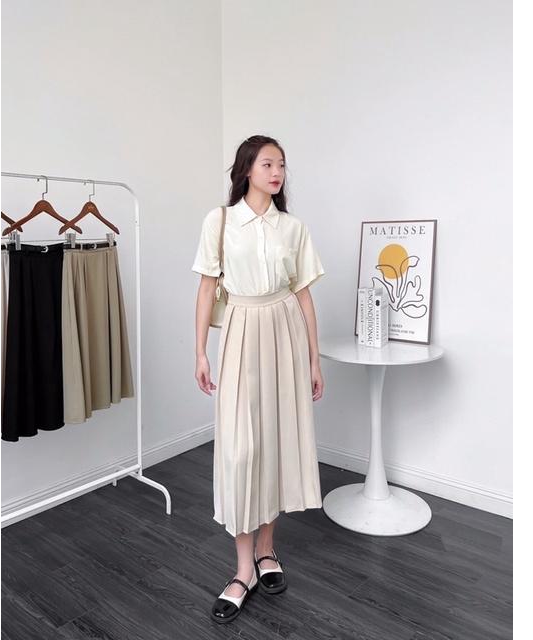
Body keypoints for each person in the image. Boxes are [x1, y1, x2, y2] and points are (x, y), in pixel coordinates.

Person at [192, 135, 326, 623]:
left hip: (285, 332)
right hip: (241, 332)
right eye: (268, 164)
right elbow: (207, 288)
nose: (276, 172)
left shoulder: (293, 228)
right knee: (241, 450)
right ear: (247, 169)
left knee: (275, 445)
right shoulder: (220, 221)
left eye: (282, 165)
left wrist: (314, 359)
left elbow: (304, 295)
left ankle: (267, 552)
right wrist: (199, 352)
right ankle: (242, 568)